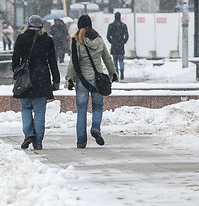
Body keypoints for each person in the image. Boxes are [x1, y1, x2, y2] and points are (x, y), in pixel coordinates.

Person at [65, 15, 117, 149]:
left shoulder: (77, 40)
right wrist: (113, 73)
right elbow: (107, 58)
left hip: (82, 80)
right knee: (98, 107)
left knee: (81, 110)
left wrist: (69, 78)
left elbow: (73, 62)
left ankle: (81, 141)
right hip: (98, 79)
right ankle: (95, 128)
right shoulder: (99, 39)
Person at [12, 15, 60, 150]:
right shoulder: (48, 40)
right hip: (42, 79)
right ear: (41, 26)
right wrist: (56, 80)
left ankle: (28, 133)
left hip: (26, 78)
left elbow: (15, 58)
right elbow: (52, 62)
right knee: (39, 111)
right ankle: (38, 141)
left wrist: (16, 73)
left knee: (26, 108)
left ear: (28, 24)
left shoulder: (22, 38)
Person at [106, 12, 129, 80]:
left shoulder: (111, 25)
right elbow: (127, 35)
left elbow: (108, 36)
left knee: (115, 61)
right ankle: (122, 71)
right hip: (121, 46)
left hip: (114, 46)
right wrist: (123, 42)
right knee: (121, 60)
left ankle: (117, 74)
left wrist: (112, 42)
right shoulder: (123, 25)